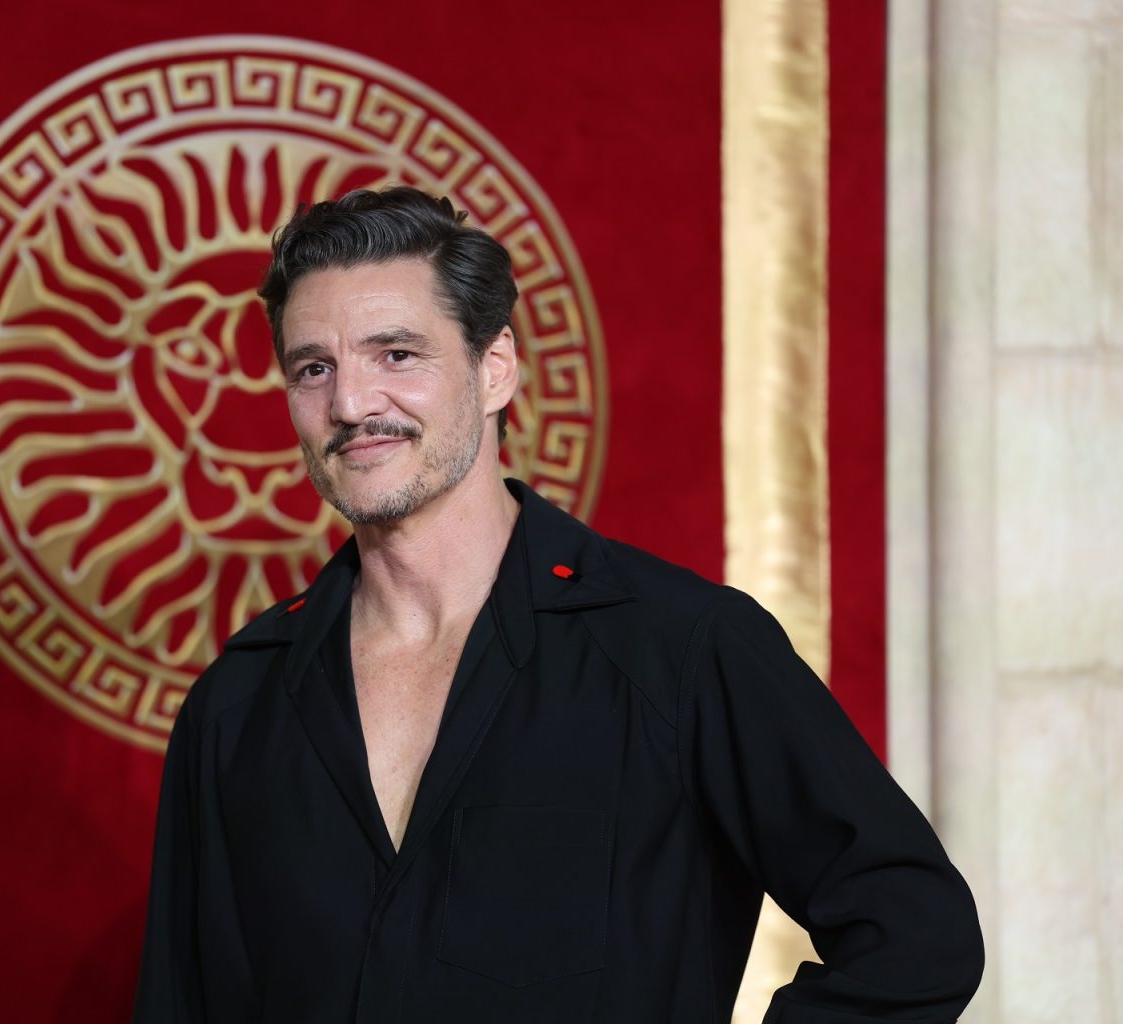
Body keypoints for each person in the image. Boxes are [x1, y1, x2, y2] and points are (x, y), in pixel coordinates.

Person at [132, 186, 983, 1023]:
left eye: (396, 355)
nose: (350, 405)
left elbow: (916, 934)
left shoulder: (683, 649)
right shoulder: (235, 704)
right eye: (314, 368)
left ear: (494, 368)